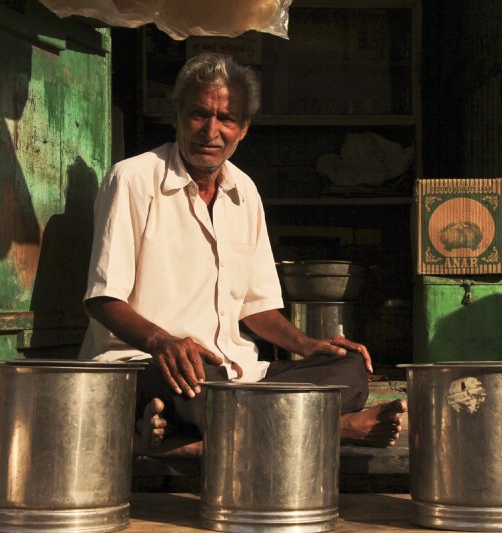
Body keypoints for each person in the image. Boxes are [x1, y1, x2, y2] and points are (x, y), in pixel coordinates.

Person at [79, 52, 405, 456]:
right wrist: (163, 342)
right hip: (149, 365)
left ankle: (188, 438)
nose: (211, 131)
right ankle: (332, 429)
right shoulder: (131, 179)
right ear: (177, 116)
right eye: (199, 114)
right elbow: (103, 298)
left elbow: (256, 308)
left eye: (226, 119)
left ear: (243, 129)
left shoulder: (244, 192)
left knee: (349, 371)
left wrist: (307, 345)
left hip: (234, 375)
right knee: (199, 387)